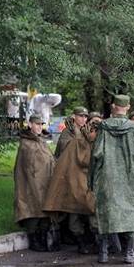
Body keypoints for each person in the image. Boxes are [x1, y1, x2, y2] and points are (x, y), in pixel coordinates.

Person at [88, 94, 134, 265]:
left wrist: (91, 178)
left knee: (106, 212)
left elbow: (96, 154)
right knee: (131, 213)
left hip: (107, 176)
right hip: (130, 176)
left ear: (114, 106)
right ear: (128, 107)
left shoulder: (104, 127)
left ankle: (104, 252)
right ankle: (129, 253)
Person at [43, 106, 97, 254]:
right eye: (81, 116)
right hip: (71, 176)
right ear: (74, 116)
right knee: (73, 209)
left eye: (85, 117)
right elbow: (64, 152)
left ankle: (89, 240)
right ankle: (80, 242)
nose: (83, 119)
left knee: (88, 207)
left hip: (85, 176)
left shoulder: (87, 131)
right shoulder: (68, 133)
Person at [14, 115, 56, 252]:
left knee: (44, 211)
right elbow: (27, 167)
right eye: (37, 124)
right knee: (32, 209)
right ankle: (34, 240)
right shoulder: (26, 143)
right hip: (32, 183)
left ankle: (42, 238)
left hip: (45, 181)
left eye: (40, 124)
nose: (39, 127)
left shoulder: (41, 141)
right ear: (30, 124)